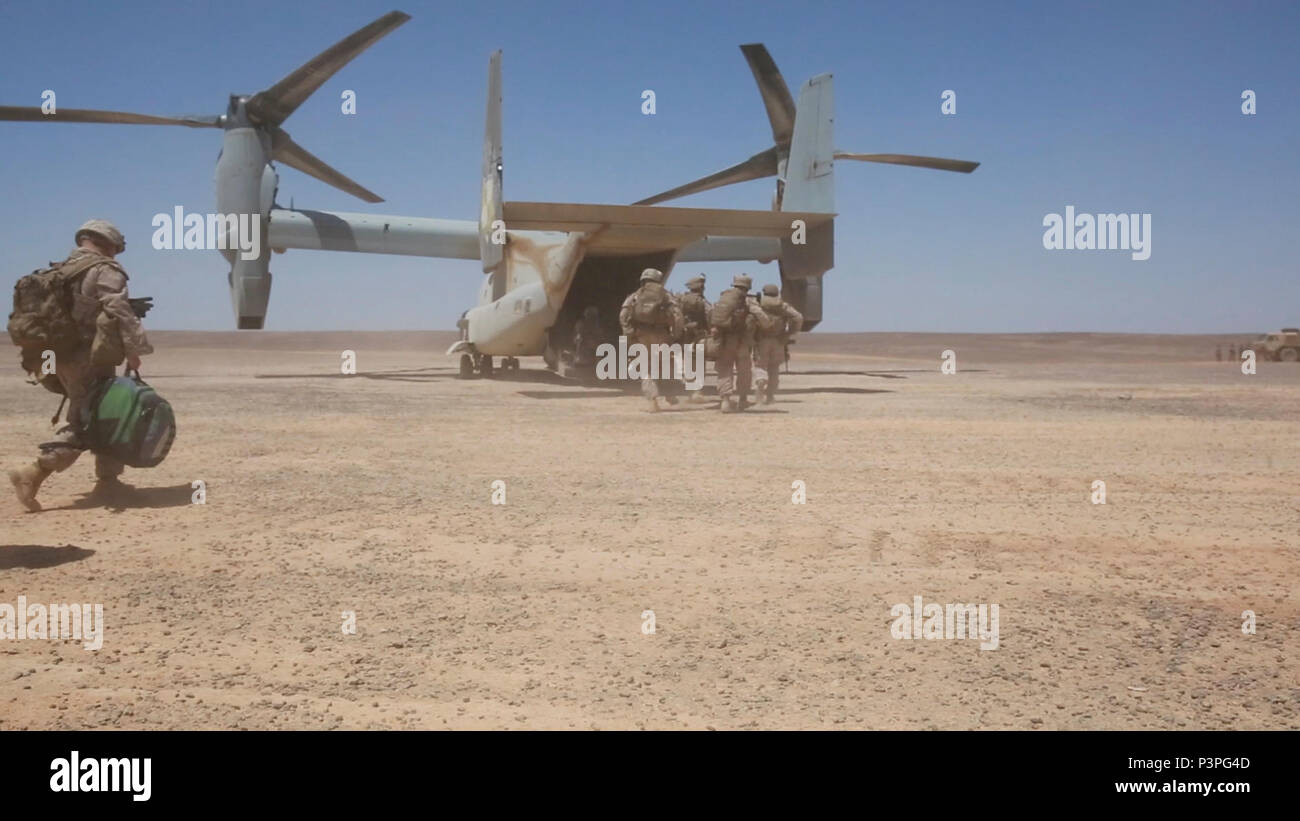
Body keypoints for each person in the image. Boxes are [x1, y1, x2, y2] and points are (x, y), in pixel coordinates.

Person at [9, 220, 153, 512]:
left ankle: (108, 482)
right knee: (85, 421)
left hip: (56, 355)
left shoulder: (59, 270)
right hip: (87, 357)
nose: (116, 254)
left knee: (104, 414)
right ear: (108, 243)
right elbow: (117, 309)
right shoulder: (104, 269)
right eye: (116, 249)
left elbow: (78, 309)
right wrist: (134, 350)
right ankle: (33, 472)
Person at [618, 268, 683, 412]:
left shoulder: (635, 296)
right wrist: (676, 334)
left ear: (643, 279)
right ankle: (670, 394)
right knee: (665, 364)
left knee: (645, 368)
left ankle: (652, 401)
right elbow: (677, 315)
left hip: (642, 335)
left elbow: (623, 315)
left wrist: (629, 334)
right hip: (662, 334)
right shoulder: (666, 295)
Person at [708, 274, 765, 413]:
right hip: (742, 342)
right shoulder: (748, 301)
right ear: (748, 286)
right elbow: (763, 318)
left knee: (724, 369)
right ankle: (743, 399)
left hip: (725, 341)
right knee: (744, 371)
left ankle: (725, 401)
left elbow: (711, 315)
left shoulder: (723, 298)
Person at [752, 283, 803, 404]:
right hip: (779, 340)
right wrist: (790, 332)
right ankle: (770, 396)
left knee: (760, 366)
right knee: (774, 368)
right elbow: (798, 317)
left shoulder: (758, 303)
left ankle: (760, 381)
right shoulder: (782, 305)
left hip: (762, 340)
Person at [676, 274, 711, 402]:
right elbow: (709, 316)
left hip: (686, 335)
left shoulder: (682, 300)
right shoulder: (703, 301)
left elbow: (677, 316)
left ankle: (691, 391)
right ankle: (697, 391)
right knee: (700, 363)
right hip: (700, 334)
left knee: (689, 362)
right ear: (701, 287)